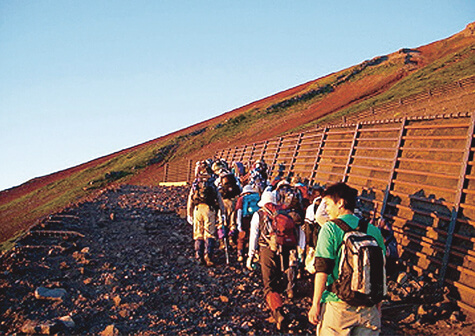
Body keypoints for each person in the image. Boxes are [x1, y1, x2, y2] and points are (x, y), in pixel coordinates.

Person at [308, 182, 386, 336]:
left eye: (329, 204)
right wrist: (378, 305)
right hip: (368, 308)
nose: (326, 209)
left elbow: (322, 268)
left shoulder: (330, 229)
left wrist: (315, 303)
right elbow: (380, 268)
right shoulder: (373, 230)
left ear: (341, 203)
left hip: (338, 306)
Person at [247, 190, 298, 331]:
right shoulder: (284, 214)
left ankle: (278, 312)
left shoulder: (259, 215)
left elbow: (254, 235)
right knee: (278, 279)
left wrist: (250, 255)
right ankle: (286, 293)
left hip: (267, 249)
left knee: (269, 284)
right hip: (285, 249)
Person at [187, 165, 226, 267]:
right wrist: (222, 213)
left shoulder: (196, 183)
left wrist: (189, 213)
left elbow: (190, 199)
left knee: (198, 234)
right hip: (209, 210)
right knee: (210, 234)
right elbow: (219, 199)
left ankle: (198, 256)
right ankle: (208, 255)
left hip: (197, 209)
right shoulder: (212, 183)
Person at [234, 184, 260, 262]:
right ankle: (254, 253)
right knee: (253, 235)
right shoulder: (257, 197)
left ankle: (240, 254)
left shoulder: (241, 199)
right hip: (255, 217)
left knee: (242, 237)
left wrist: (239, 224)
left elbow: (239, 211)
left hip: (245, 219)